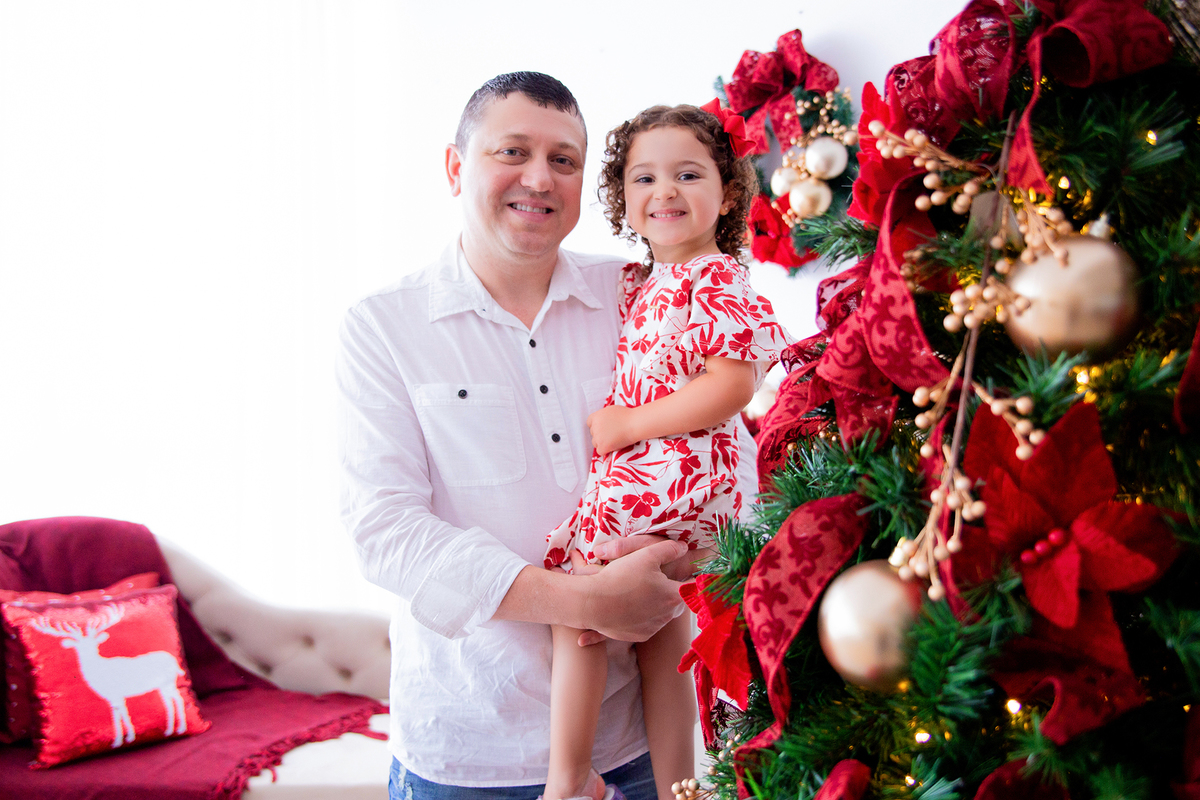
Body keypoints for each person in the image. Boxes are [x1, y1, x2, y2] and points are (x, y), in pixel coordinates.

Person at [335, 73, 758, 800]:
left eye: (563, 160)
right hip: (468, 751)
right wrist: (583, 602)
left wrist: (690, 559)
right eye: (512, 151)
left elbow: (724, 448)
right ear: (455, 167)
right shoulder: (383, 325)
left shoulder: (636, 292)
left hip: (635, 743)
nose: (539, 178)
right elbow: (384, 532)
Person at [539, 105, 793, 800]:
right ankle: (680, 782)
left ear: (728, 194)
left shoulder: (715, 278)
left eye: (688, 174)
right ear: (624, 199)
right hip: (674, 482)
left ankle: (568, 780)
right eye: (645, 178)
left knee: (578, 599)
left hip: (674, 475)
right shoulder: (649, 281)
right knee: (662, 633)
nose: (666, 191)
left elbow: (731, 387)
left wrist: (628, 425)